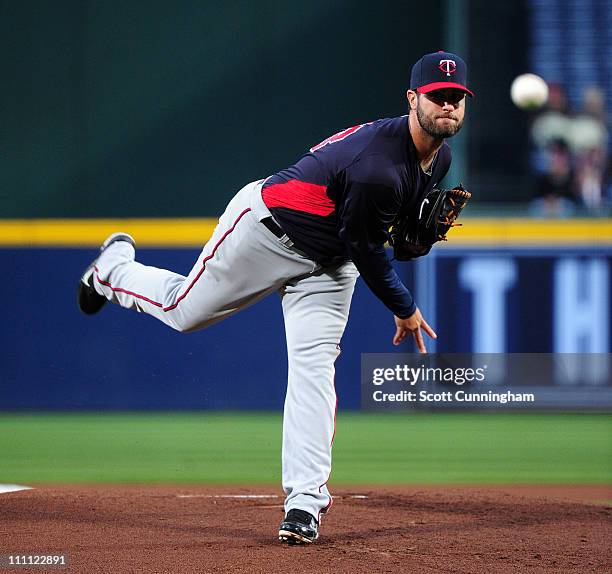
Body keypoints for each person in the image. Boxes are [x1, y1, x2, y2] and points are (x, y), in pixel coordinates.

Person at [78, 50, 472, 544]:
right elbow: (368, 248)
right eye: (438, 96)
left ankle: (304, 504)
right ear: (413, 98)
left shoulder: (441, 157)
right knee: (183, 312)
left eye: (457, 98)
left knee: (314, 368)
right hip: (266, 232)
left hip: (328, 265)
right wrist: (405, 307)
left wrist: (409, 243)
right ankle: (113, 269)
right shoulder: (378, 165)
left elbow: (382, 239)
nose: (449, 106)